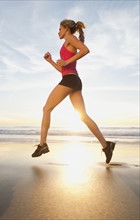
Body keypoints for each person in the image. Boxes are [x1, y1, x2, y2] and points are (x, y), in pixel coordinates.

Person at [32, 19, 115, 164]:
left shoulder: (70, 38)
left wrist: (67, 62)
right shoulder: (66, 43)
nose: (58, 32)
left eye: (59, 29)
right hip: (73, 80)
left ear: (66, 29)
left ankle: (42, 145)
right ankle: (106, 145)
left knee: (46, 109)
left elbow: (85, 50)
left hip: (71, 80)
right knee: (83, 116)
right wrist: (51, 61)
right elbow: (63, 70)